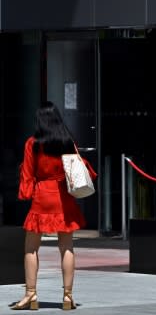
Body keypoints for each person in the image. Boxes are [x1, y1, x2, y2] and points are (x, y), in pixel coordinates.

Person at [12, 102, 89, 310]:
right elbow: (77, 167)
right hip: (63, 197)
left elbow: (27, 173)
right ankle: (67, 296)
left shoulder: (33, 143)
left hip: (42, 197)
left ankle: (30, 294)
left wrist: (26, 193)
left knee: (31, 248)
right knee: (66, 248)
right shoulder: (67, 141)